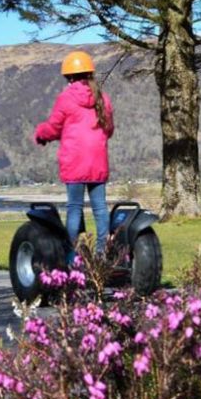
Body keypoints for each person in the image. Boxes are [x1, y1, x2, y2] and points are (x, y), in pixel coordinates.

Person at [34, 50, 115, 256]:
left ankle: (72, 257)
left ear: (69, 77)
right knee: (100, 208)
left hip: (74, 161)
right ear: (90, 73)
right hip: (97, 160)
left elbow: (54, 127)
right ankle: (102, 255)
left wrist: (40, 134)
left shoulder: (66, 98)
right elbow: (109, 129)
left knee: (74, 208)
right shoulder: (103, 98)